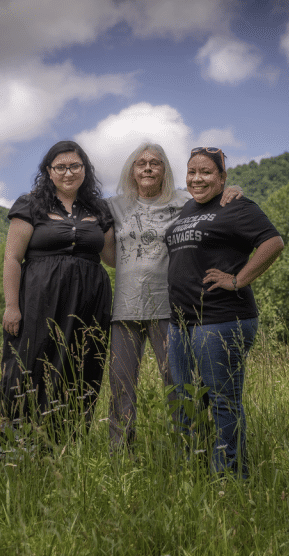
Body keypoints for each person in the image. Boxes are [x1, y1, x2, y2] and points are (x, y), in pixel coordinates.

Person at [101, 142, 241, 452]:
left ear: (165, 170)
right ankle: (120, 453)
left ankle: (190, 450)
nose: (148, 168)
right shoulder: (114, 206)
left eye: (155, 163)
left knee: (179, 384)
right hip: (124, 309)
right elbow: (107, 252)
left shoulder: (182, 202)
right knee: (121, 385)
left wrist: (234, 189)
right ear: (132, 170)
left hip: (170, 308)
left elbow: (215, 201)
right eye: (141, 163)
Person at [165, 146, 285, 477]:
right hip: (180, 322)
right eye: (192, 172)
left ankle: (229, 478)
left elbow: (272, 243)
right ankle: (190, 471)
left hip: (220, 319)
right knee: (186, 400)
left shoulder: (237, 206)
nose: (197, 178)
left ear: (222, 177)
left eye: (205, 172)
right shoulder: (186, 207)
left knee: (222, 401)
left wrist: (237, 280)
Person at [0, 140, 113, 442]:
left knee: (79, 369)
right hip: (38, 301)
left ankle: (62, 446)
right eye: (61, 167)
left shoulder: (99, 208)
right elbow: (12, 259)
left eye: (75, 166)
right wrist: (11, 306)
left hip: (90, 305)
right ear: (48, 171)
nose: (68, 172)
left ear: (85, 169)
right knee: (27, 367)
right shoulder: (31, 204)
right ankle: (9, 446)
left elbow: (112, 258)